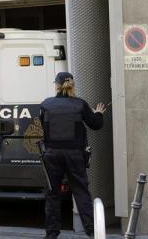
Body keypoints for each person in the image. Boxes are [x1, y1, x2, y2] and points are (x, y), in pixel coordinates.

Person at [40, 72, 106, 239]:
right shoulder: (80, 104)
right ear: (72, 85)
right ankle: (93, 232)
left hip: (52, 155)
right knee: (81, 192)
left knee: (52, 194)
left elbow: (43, 126)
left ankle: (51, 234)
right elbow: (96, 124)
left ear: (56, 85)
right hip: (75, 155)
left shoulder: (46, 105)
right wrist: (98, 113)